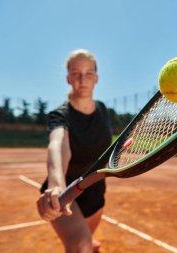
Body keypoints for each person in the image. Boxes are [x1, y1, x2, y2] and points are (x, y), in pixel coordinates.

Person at [36, 49, 112, 253]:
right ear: (68, 78)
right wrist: (56, 185)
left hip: (95, 190)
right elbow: (58, 146)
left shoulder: (103, 110)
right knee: (80, 245)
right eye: (76, 73)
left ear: (96, 78)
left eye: (88, 73)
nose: (82, 79)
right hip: (66, 191)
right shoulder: (59, 115)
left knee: (87, 240)